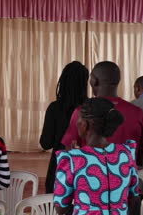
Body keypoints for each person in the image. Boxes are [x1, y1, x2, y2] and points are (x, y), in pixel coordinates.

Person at [54, 98, 141, 215]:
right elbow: (134, 198)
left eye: (78, 119)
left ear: (85, 124)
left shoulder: (71, 159)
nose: (76, 123)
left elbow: (61, 207)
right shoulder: (126, 153)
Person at [61, 61, 143, 166]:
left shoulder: (82, 111)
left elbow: (69, 153)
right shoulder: (138, 113)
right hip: (125, 178)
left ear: (94, 81)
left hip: (89, 177)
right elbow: (142, 153)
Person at [39, 61, 89, 193]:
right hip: (87, 168)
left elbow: (45, 143)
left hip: (58, 169)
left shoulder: (55, 108)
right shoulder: (92, 108)